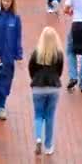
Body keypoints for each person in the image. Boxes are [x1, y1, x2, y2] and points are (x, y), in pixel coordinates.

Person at [28, 27, 64, 155]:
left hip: (38, 88)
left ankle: (38, 138)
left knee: (38, 115)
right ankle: (48, 146)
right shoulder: (58, 55)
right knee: (50, 117)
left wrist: (35, 80)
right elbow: (59, 71)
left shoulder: (36, 53)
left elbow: (31, 69)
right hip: (53, 88)